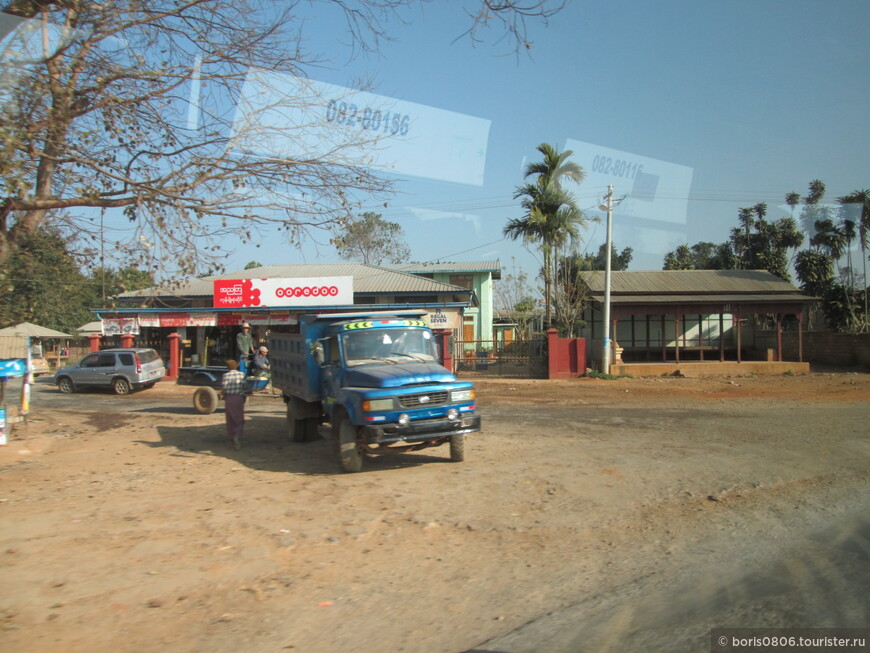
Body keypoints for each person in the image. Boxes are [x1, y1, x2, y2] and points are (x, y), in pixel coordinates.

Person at [221, 359, 246, 450]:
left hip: (229, 398)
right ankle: (237, 435)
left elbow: (224, 388)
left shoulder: (225, 375)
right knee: (239, 417)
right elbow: (245, 386)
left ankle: (232, 436)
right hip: (239, 398)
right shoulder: (241, 375)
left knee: (230, 417)